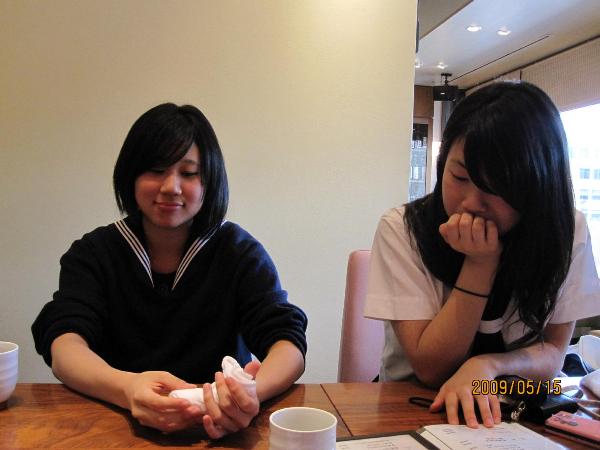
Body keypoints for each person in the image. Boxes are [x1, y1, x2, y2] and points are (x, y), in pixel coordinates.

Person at [32, 103, 308, 437]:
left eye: (188, 173)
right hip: (114, 425)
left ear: (209, 181)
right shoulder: (94, 253)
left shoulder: (238, 252)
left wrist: (247, 396)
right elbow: (65, 344)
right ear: (130, 176)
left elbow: (286, 341)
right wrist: (127, 388)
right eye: (155, 170)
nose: (171, 187)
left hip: (220, 430)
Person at [364, 81, 600, 428]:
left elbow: (553, 354)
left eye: (497, 187)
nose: (471, 202)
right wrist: (479, 263)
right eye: (459, 177)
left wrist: (488, 367)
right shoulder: (403, 229)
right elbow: (431, 369)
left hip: (517, 409)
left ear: (537, 186)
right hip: (416, 404)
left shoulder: (566, 231)